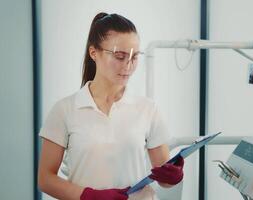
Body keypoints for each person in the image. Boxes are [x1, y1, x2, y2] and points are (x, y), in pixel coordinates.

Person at [38, 12, 184, 200]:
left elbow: (165, 178)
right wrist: (89, 196)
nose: (128, 66)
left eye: (134, 57)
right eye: (120, 56)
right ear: (94, 53)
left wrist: (174, 175)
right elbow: (45, 179)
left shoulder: (148, 109)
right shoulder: (65, 110)